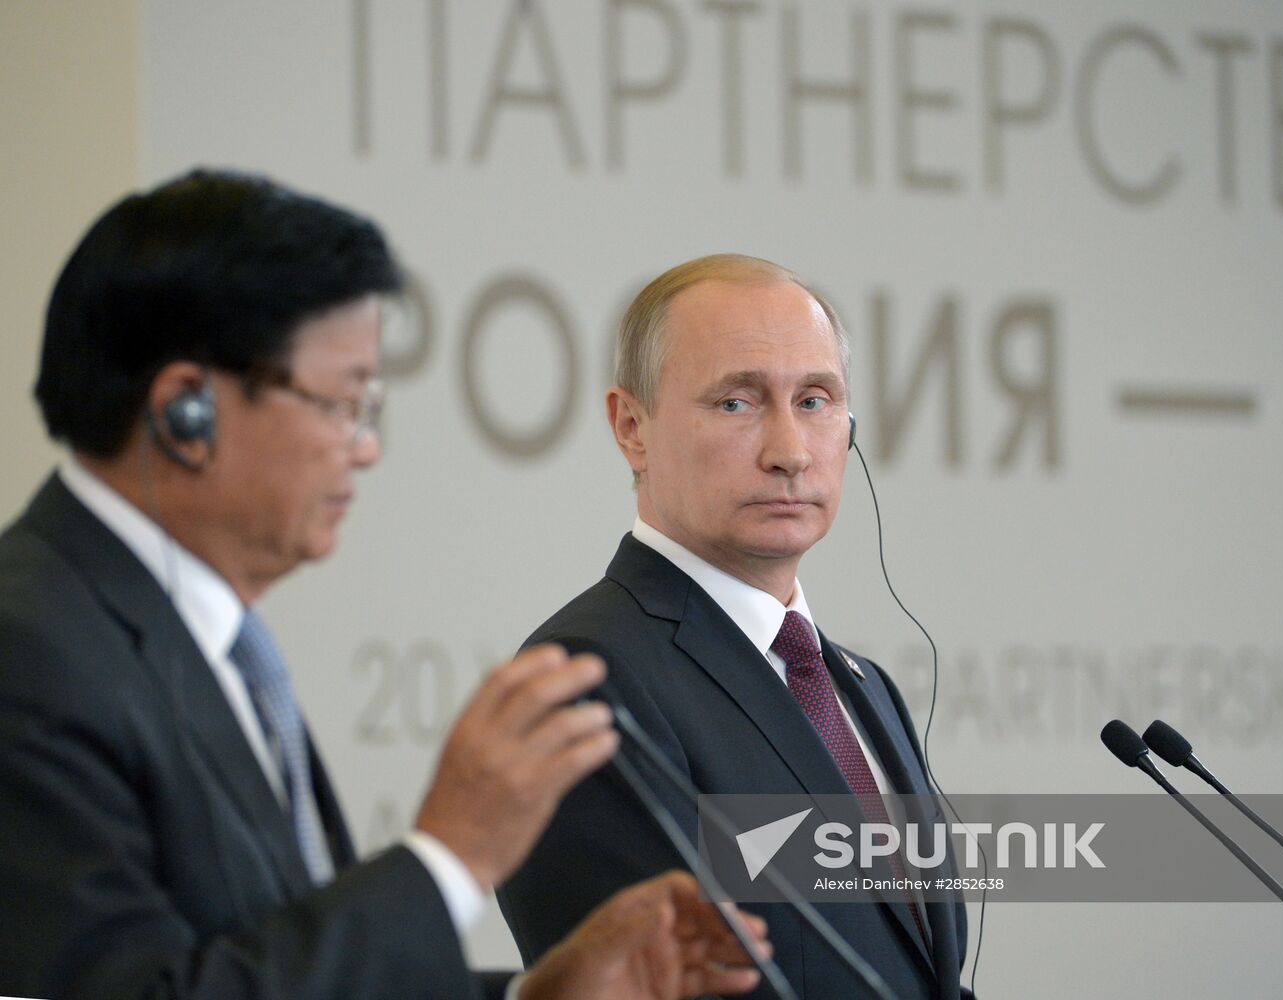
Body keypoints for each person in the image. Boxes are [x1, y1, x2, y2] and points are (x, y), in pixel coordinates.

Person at [0, 172, 768, 1000]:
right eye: (343, 402)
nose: (365, 448)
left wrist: (540, 998)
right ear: (188, 412)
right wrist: (448, 857)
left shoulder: (211, 649)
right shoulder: (29, 650)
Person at [498, 254, 971, 999]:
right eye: (736, 403)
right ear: (632, 427)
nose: (789, 452)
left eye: (815, 400)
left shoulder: (862, 686)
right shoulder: (589, 678)